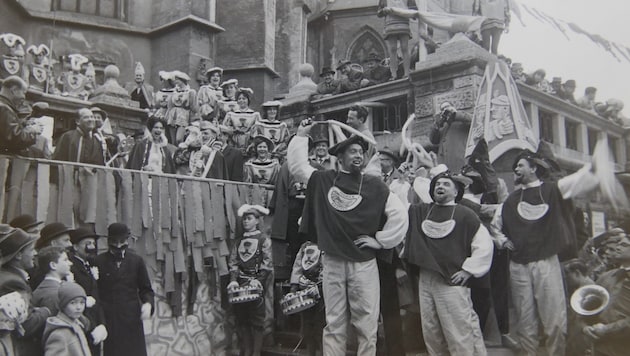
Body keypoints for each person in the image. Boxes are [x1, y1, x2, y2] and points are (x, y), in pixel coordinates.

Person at [288, 122, 408, 355]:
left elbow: (399, 213)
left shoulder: (374, 185)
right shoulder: (324, 180)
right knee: (334, 323)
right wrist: (302, 136)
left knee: (366, 323)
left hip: (363, 264)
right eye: (352, 151)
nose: (358, 155)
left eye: (361, 152)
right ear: (340, 156)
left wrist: (381, 241)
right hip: (332, 262)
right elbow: (297, 167)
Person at [491, 150, 601, 356]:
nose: (516, 169)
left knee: (555, 320)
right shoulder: (510, 200)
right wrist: (504, 241)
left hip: (546, 261)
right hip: (518, 265)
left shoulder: (552, 191)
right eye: (515, 166)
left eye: (521, 165)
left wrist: (594, 167)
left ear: (534, 168)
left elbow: (577, 181)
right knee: (525, 322)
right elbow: (495, 227)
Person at [403, 171, 493, 355]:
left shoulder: (465, 214)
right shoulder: (421, 211)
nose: (440, 187)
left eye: (446, 184)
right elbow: (401, 205)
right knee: (431, 331)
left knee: (458, 332)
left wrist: (468, 271)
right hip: (426, 279)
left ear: (456, 191)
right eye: (437, 184)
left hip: (452, 280)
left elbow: (484, 245)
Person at [94, 223, 154, 356]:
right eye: (114, 242)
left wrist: (148, 304)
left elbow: (146, 289)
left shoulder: (136, 261)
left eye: (122, 241)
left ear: (128, 240)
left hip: (132, 319)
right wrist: (100, 320)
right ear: (108, 241)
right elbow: (95, 292)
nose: (118, 245)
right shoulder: (98, 261)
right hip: (110, 320)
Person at [227, 204, 273, 356]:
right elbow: (233, 262)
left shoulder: (263, 240)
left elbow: (268, 263)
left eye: (249, 218)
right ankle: (246, 350)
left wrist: (259, 280)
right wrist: (233, 279)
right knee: (242, 317)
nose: (245, 221)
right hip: (240, 284)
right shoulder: (239, 241)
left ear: (257, 221)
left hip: (256, 284)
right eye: (244, 219)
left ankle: (256, 352)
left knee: (257, 318)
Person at [0, 227, 51, 356]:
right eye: (31, 249)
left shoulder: (8, 276)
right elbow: (24, 325)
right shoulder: (13, 282)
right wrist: (45, 311)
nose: (35, 253)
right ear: (18, 255)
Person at [582, 233, 630, 356]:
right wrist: (585, 327)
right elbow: (587, 307)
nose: (618, 247)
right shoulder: (606, 276)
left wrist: (606, 330)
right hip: (600, 346)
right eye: (618, 244)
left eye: (624, 245)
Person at [68, 228, 107, 355]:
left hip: (94, 324)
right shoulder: (71, 268)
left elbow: (97, 299)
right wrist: (91, 327)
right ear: (75, 246)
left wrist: (101, 324)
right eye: (87, 244)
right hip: (82, 325)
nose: (91, 247)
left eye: (93, 244)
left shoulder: (89, 265)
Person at [288, 241, 325, 356]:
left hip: (321, 292)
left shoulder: (326, 244)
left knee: (320, 327)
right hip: (305, 292)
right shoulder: (305, 246)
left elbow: (327, 268)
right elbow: (297, 267)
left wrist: (319, 286)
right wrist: (293, 288)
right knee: (307, 328)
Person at [42, 282, 93, 356]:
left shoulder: (77, 325)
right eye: (73, 303)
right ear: (63, 305)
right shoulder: (59, 335)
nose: (78, 307)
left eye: (82, 302)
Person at [0, 75, 41, 154]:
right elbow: (14, 139)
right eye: (23, 93)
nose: (24, 97)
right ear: (14, 90)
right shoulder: (4, 109)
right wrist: (32, 130)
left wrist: (23, 124)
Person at [429, 101, 472, 172]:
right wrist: (437, 125)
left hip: (459, 160)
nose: (445, 109)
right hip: (444, 163)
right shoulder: (442, 125)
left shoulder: (461, 118)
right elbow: (433, 140)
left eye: (447, 106)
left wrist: (455, 114)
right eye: (442, 109)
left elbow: (472, 120)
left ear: (453, 107)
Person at [378, 0, 415, 79]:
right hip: (391, 24)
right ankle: (393, 74)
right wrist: (384, 11)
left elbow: (414, 10)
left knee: (404, 48)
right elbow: (379, 12)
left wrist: (411, 13)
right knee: (393, 49)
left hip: (403, 23)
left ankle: (407, 72)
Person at [32, 246, 74, 316]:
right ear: (53, 265)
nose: (70, 263)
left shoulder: (50, 288)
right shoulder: (53, 293)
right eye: (65, 260)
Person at [222, 87, 261, 155]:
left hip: (249, 143)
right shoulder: (231, 114)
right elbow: (225, 129)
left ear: (248, 100)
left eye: (244, 98)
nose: (241, 100)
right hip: (234, 143)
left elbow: (259, 131)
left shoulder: (255, 115)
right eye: (239, 99)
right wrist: (232, 131)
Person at [164, 70, 197, 144]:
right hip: (173, 116)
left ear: (182, 80)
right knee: (172, 141)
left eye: (177, 79)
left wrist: (193, 119)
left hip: (183, 116)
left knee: (179, 139)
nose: (175, 81)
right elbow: (170, 106)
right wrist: (167, 116)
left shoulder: (190, 92)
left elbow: (193, 107)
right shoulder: (174, 92)